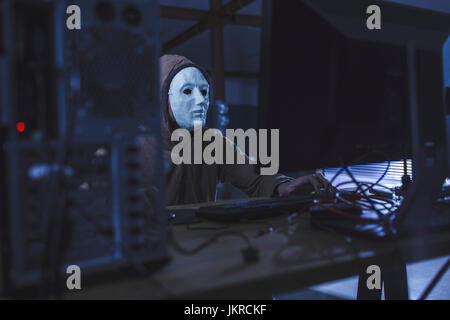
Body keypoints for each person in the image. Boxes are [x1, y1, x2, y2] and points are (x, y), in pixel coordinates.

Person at [141, 54, 330, 206]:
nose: (201, 100)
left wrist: (284, 185)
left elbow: (255, 176)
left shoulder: (211, 142)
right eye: (187, 91)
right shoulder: (132, 147)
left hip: (198, 246)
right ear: (160, 98)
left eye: (204, 91)